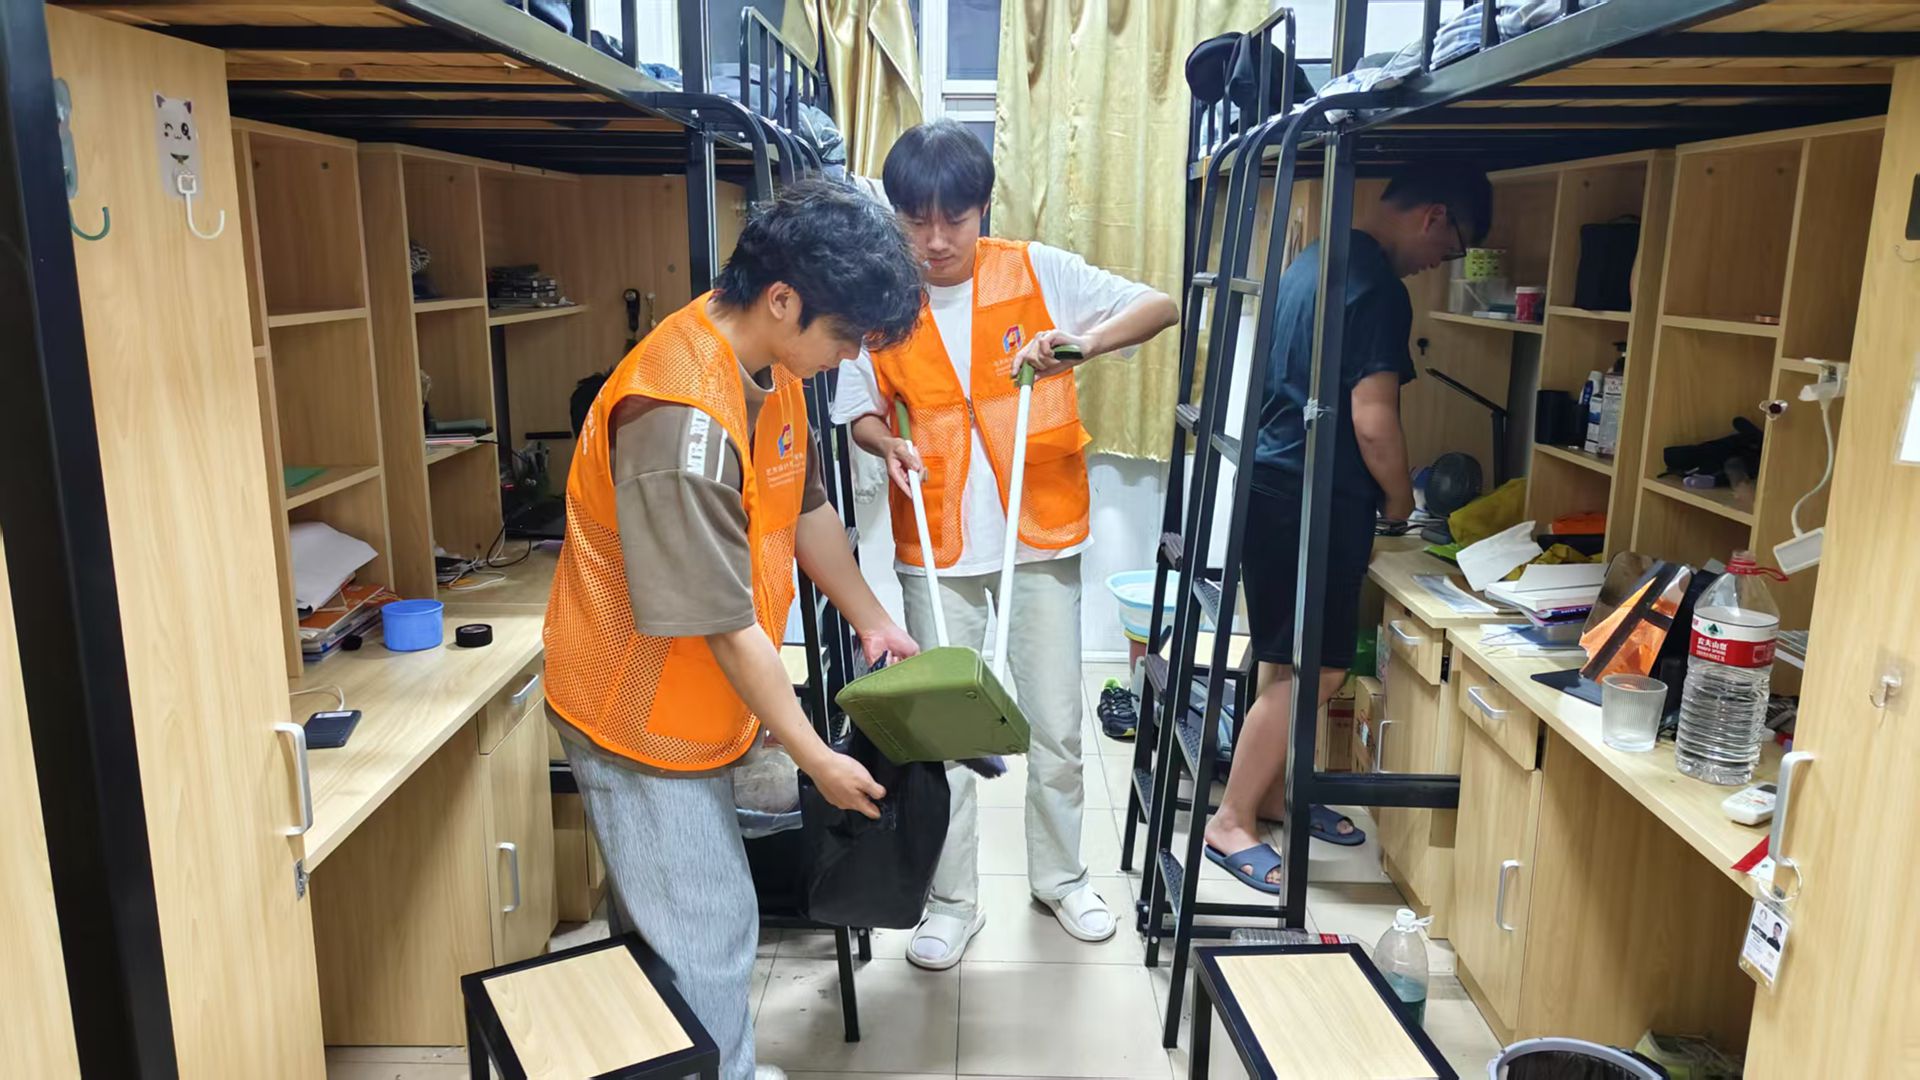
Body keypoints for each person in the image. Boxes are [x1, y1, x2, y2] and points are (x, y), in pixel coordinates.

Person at [542, 179, 925, 1080]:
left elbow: (805, 508)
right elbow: (723, 625)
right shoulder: (676, 416)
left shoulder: (772, 367)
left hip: (699, 701)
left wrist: (873, 620)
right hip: (637, 717)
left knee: (671, 929)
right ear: (783, 300)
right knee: (707, 930)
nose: (847, 357)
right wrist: (816, 759)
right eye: (845, 336)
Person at [831, 119, 1180, 967]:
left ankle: (1060, 878)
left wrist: (1084, 344)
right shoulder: (879, 298)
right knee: (944, 735)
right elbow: (857, 410)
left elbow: (1159, 306)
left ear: (982, 209)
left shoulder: (1035, 270)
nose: (935, 240)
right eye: (917, 219)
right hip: (935, 546)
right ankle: (953, 901)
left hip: (1040, 538)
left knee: (1056, 723)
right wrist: (886, 442)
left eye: (954, 219)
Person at [1204, 166, 1493, 893]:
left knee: (1285, 660)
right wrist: (1398, 502)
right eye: (1452, 246)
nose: (1441, 263)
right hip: (1313, 497)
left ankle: (1273, 794)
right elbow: (1373, 420)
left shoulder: (1315, 258)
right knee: (1320, 669)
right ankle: (1231, 820)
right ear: (1433, 214)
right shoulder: (1379, 290)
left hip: (1272, 485)